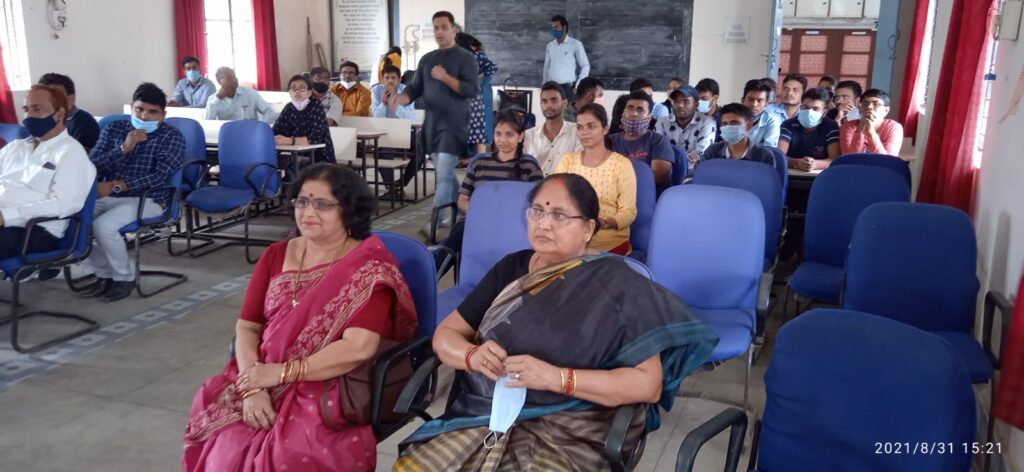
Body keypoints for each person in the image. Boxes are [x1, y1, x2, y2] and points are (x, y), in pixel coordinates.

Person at [393, 173, 718, 471]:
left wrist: (558, 378)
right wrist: (471, 355)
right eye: (536, 211)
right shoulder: (511, 268)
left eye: (559, 215)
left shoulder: (619, 285)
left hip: (572, 425)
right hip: (485, 415)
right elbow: (447, 334)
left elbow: (648, 385)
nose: (543, 224)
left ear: (588, 228)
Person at [183, 164, 419, 472]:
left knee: (288, 452)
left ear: (349, 210)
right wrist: (252, 387)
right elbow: (248, 326)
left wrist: (282, 374)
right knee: (224, 440)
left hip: (327, 380)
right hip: (259, 371)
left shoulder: (368, 268)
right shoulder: (276, 255)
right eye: (302, 201)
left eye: (322, 204)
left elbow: (358, 347)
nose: (308, 212)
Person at [85, 83, 185, 301]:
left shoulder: (171, 136)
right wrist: (124, 148)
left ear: (163, 115)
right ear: (132, 107)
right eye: (139, 110)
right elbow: (92, 165)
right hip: (108, 195)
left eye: (152, 112)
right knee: (72, 223)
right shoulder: (114, 128)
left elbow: (158, 176)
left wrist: (116, 185)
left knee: (103, 227)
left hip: (150, 199)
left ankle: (124, 277)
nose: (144, 116)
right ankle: (104, 274)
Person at [389, 11, 480, 233]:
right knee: (445, 173)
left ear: (453, 30)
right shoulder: (427, 59)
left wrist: (445, 77)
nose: (439, 32)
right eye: (436, 28)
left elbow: (471, 89)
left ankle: (434, 222)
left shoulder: (466, 58)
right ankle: (465, 210)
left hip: (454, 124)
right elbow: (414, 88)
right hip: (432, 124)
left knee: (443, 175)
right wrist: (399, 99)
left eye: (444, 27)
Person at [436, 110, 545, 271]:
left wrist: (505, 217)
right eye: (498, 133)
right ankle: (429, 276)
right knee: (455, 238)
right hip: (477, 221)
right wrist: (483, 215)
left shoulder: (530, 166)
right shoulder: (479, 162)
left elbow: (539, 203)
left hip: (514, 224)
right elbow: (463, 200)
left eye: (509, 134)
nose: (502, 140)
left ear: (520, 137)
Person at [0, 85, 96, 259]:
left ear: (59, 114)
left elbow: (65, 204)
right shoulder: (15, 147)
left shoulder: (71, 152)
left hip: (36, 230)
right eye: (26, 109)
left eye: (37, 109)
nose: (29, 116)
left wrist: (7, 216)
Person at [555, 104, 637, 255]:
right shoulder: (567, 161)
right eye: (579, 127)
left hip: (608, 242)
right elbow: (556, 201)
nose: (584, 132)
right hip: (571, 239)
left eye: (591, 126)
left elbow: (628, 212)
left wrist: (604, 223)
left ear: (605, 129)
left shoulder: (621, 165)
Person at [608, 90, 674, 188]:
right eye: (630, 108)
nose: (634, 113)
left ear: (649, 117)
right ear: (623, 112)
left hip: (648, 192)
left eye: (640, 110)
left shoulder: (659, 141)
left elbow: (658, 176)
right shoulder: (609, 141)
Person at [273, 75, 335, 163]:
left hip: (319, 156)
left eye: (302, 88)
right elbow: (276, 131)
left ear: (309, 93)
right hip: (295, 154)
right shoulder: (289, 107)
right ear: (290, 93)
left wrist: (288, 140)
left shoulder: (316, 105)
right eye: (293, 88)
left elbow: (315, 138)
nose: (297, 91)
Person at [524, 81, 583, 175]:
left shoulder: (577, 132)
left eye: (554, 100)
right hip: (535, 184)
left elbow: (578, 168)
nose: (548, 105)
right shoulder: (528, 135)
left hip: (566, 183)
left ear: (564, 103)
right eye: (544, 101)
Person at [655, 85, 716, 171]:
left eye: (685, 101)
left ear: (696, 104)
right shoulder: (662, 122)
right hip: (666, 171)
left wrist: (673, 160)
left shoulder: (707, 123)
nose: (680, 105)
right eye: (676, 101)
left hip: (695, 172)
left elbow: (702, 153)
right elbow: (658, 150)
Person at [457, 32, 499, 154]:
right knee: (479, 128)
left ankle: (475, 157)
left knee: (476, 127)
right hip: (479, 93)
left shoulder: (472, 55)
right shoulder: (476, 53)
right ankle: (478, 157)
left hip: (476, 94)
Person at [779, 87, 840, 171]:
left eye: (815, 109)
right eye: (805, 107)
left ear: (824, 112)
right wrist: (796, 163)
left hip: (821, 175)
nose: (809, 112)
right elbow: (780, 156)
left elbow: (834, 159)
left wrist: (814, 164)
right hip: (791, 174)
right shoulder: (788, 125)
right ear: (800, 107)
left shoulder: (831, 126)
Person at [37, 73, 100, 152]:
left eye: (54, 97)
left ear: (70, 100)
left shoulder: (84, 123)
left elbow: (77, 155)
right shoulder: (43, 121)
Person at [701, 103, 777, 166]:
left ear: (749, 125)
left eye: (734, 123)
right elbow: (701, 175)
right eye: (724, 123)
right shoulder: (712, 152)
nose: (728, 127)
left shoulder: (764, 157)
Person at [839, 88, 904, 156]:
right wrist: (859, 131)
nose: (869, 107)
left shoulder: (894, 128)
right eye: (865, 104)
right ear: (860, 109)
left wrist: (871, 133)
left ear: (886, 110)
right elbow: (848, 159)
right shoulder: (848, 127)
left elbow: (888, 160)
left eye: (876, 104)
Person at [543, 14, 590, 104]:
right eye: (553, 28)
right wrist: (544, 85)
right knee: (551, 111)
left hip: (567, 88)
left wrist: (578, 85)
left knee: (567, 112)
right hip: (551, 88)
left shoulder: (575, 44)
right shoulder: (550, 46)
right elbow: (546, 68)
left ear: (564, 28)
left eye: (556, 27)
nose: (554, 30)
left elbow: (585, 65)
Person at [205, 67, 277, 124]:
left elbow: (269, 112)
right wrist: (218, 97)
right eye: (229, 78)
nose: (234, 80)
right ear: (219, 81)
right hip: (229, 134)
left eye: (234, 77)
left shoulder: (250, 93)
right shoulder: (213, 99)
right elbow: (207, 120)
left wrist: (261, 125)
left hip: (251, 132)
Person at [741, 79, 782, 148]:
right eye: (750, 99)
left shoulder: (772, 120)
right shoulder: (731, 117)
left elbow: (769, 148)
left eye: (759, 101)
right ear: (742, 100)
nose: (754, 104)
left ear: (766, 103)